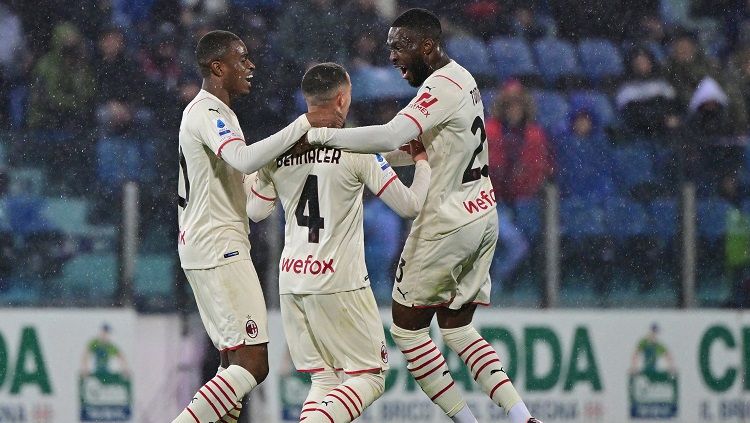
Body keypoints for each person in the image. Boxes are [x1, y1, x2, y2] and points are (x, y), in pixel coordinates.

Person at [304, 9, 540, 423]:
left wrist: (323, 138)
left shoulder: (440, 87)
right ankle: (523, 418)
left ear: (427, 46)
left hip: (446, 224)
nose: (392, 55)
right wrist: (358, 153)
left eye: (400, 46)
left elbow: (394, 135)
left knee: (407, 330)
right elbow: (414, 150)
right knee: (458, 329)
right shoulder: (463, 78)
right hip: (483, 214)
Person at [172, 30, 342, 423]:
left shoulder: (224, 115)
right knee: (253, 364)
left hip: (209, 245)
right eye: (241, 59)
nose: (250, 66)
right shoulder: (207, 113)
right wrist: (301, 125)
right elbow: (243, 159)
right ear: (218, 67)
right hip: (218, 247)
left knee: (232, 366)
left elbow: (255, 207)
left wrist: (279, 160)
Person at [247, 62, 432, 423]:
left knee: (325, 377)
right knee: (370, 376)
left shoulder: (280, 150)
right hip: (339, 283)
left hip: (293, 280)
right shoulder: (358, 150)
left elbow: (255, 211)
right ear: (343, 99)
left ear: (307, 99)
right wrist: (423, 162)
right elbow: (409, 205)